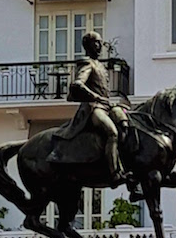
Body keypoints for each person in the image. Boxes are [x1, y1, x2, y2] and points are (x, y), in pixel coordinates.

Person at [48, 32, 129, 186]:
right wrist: (95, 97)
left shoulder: (101, 66)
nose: (99, 46)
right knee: (112, 132)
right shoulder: (87, 63)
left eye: (100, 43)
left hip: (107, 107)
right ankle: (114, 173)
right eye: (96, 43)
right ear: (88, 45)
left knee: (126, 123)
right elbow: (78, 84)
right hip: (93, 108)